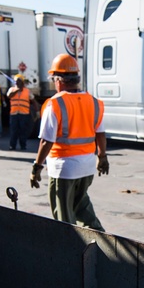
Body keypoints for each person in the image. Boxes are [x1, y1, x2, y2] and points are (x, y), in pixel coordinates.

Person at [29, 54, 108, 230]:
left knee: (63, 217)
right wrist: (102, 156)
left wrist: (36, 167)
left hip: (63, 169)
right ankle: (100, 239)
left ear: (59, 80)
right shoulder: (94, 102)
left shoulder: (55, 103)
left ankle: (70, 250)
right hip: (87, 167)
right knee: (81, 206)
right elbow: (100, 133)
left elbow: (46, 141)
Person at [6, 74, 36, 151]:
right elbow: (9, 96)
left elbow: (33, 101)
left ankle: (23, 145)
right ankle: (12, 146)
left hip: (24, 114)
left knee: (23, 130)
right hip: (14, 114)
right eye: (16, 81)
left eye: (19, 81)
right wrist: (17, 90)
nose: (17, 83)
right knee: (14, 131)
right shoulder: (12, 89)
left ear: (22, 82)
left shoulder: (27, 91)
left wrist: (38, 111)